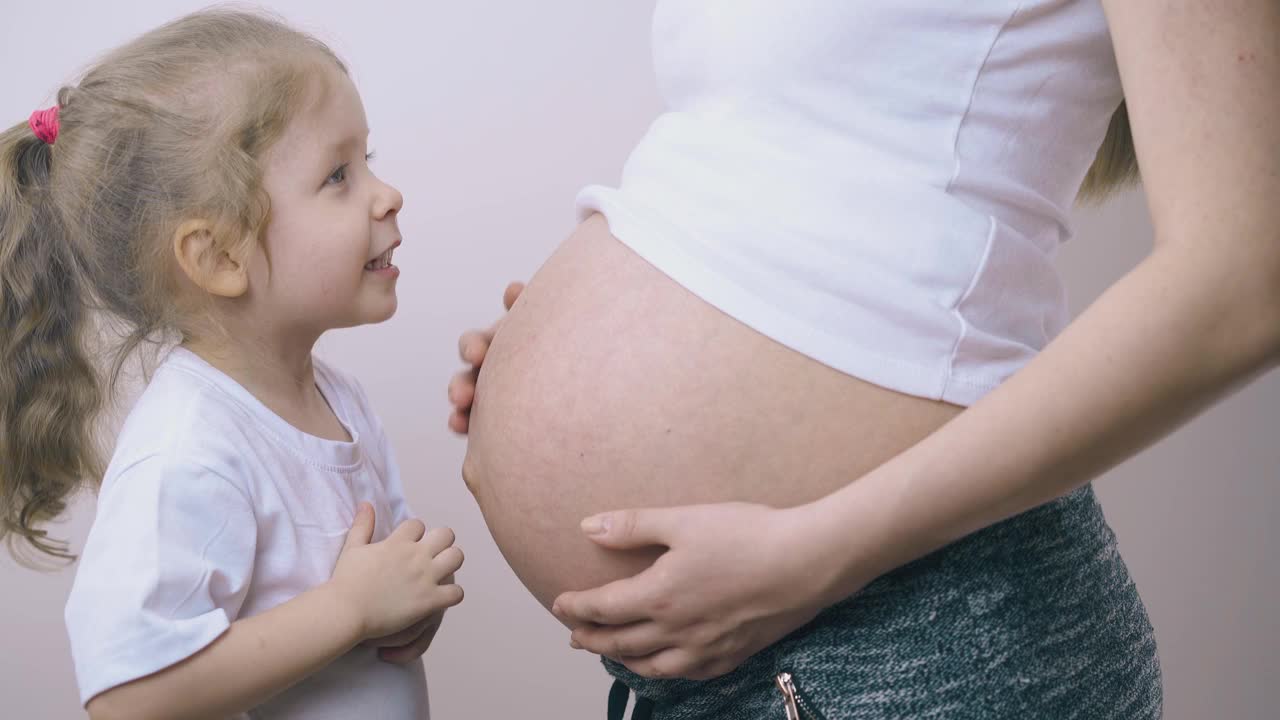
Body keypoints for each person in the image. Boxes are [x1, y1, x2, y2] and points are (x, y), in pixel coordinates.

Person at [449, 1, 1278, 717]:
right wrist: (601, 318)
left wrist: (812, 553)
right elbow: (790, 150)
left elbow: (1246, 278)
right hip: (743, 658)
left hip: (914, 634)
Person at [0, 10, 461, 719]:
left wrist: (404, 603)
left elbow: (376, 588)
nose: (386, 192)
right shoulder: (189, 451)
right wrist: (349, 609)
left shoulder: (340, 400)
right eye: (338, 174)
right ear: (217, 256)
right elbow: (127, 698)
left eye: (369, 158)